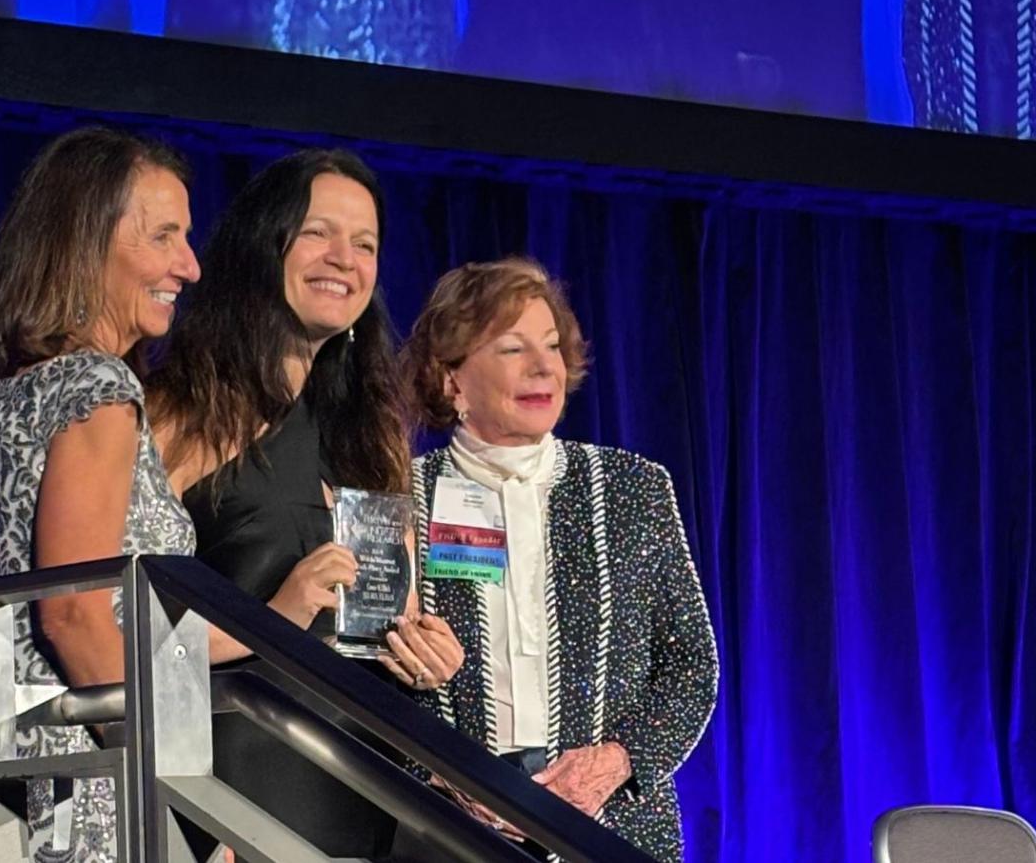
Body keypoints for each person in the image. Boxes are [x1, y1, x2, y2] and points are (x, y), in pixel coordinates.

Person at [146, 148, 464, 860]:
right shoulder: (180, 412)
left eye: (365, 244)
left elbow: (390, 613)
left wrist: (423, 652)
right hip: (229, 789)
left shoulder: (372, 428)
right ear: (265, 245)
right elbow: (116, 632)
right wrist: (275, 613)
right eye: (318, 232)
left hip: (360, 782)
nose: (344, 258)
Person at [0, 125, 206, 863]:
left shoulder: (4, 398)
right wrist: (182, 795)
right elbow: (74, 616)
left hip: (1, 771)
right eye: (164, 236)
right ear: (88, 243)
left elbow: (118, 621)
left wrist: (283, 615)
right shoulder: (99, 388)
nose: (190, 265)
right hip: (82, 791)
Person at [400, 257, 718, 862]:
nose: (544, 366)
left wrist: (616, 761)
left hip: (614, 832)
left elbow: (691, 666)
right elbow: (357, 677)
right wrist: (440, 772)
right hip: (443, 833)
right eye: (512, 348)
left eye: (551, 346)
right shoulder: (400, 497)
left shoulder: (633, 488)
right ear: (450, 379)